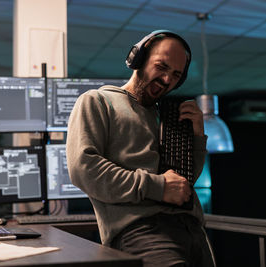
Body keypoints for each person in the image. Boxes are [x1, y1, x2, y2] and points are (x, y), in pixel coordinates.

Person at [66, 30, 215, 267]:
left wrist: (197, 137)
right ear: (138, 59)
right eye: (161, 67)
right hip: (142, 232)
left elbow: (183, 183)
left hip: (193, 230)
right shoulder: (97, 101)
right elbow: (83, 169)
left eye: (176, 75)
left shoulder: (166, 115)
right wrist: (157, 186)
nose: (167, 80)